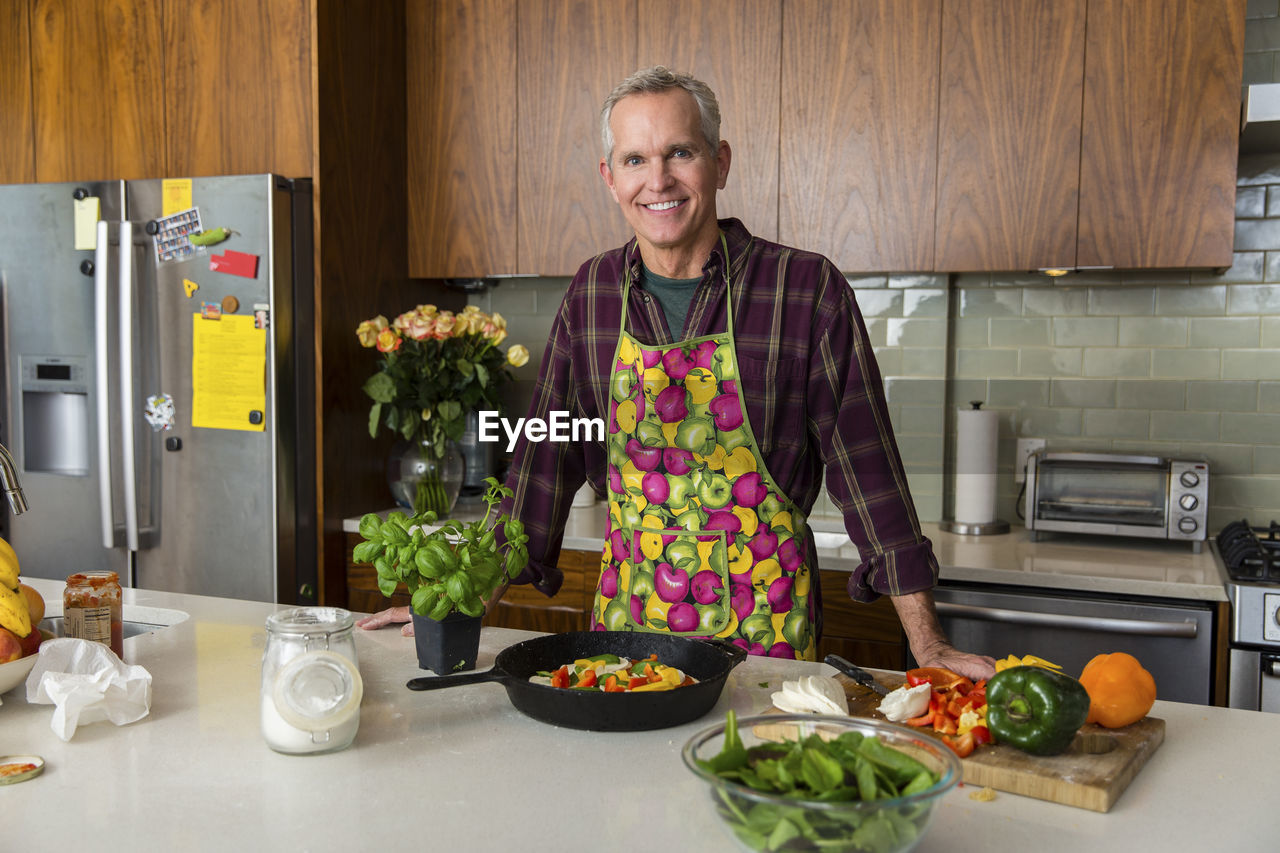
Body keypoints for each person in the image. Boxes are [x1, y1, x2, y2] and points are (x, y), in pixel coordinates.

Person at [359, 66, 995, 681]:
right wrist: (457, 599)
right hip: (624, 638)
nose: (657, 180)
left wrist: (927, 641)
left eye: (679, 153)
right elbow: (542, 465)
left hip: (765, 643)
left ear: (719, 161)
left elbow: (868, 467)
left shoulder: (802, 288)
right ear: (610, 178)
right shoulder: (592, 291)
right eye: (635, 159)